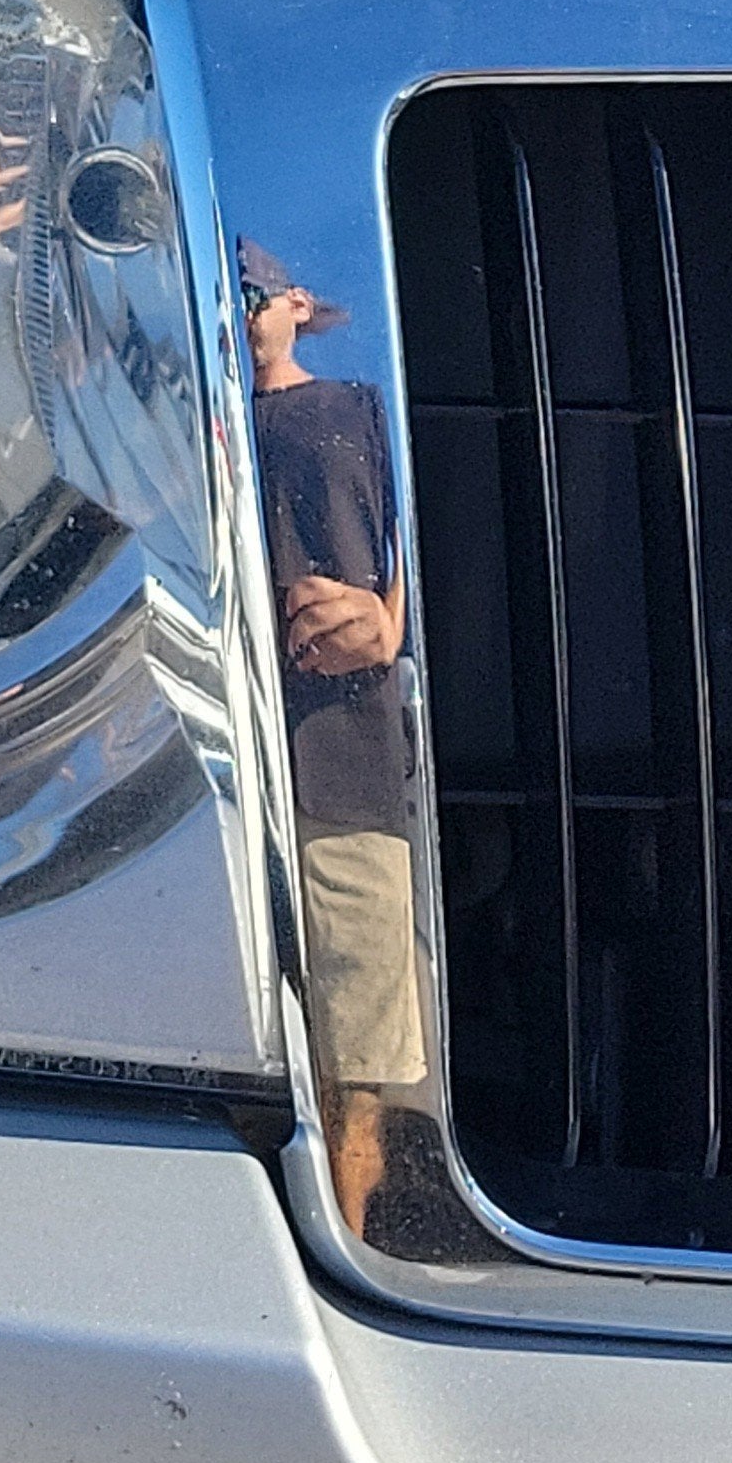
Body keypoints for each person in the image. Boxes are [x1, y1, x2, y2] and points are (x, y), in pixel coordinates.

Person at [243, 238, 421, 1237]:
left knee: (359, 1062)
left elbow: (429, 533)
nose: (242, 311)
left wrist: (394, 622)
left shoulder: (360, 408)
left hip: (349, 761)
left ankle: (352, 1244)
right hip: (220, 759)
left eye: (255, 292)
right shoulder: (190, 421)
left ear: (299, 302)